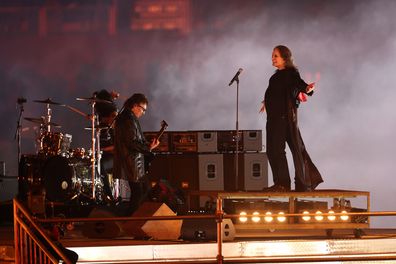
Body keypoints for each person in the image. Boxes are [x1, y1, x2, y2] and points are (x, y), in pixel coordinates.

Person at [259, 45, 323, 192]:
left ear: (285, 58)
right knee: (271, 151)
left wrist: (307, 88)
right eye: (272, 55)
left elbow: (298, 84)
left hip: (283, 119)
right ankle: (279, 183)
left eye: (276, 56)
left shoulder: (290, 73)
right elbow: (276, 93)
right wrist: (266, 102)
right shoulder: (275, 76)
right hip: (273, 120)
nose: (273, 58)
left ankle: (283, 184)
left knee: (278, 150)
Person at [113, 93, 160, 214]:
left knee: (143, 191)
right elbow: (131, 142)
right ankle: (131, 221)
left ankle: (134, 220)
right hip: (131, 162)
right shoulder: (128, 119)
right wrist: (148, 148)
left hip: (133, 162)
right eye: (143, 109)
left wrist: (148, 146)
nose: (143, 113)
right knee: (139, 193)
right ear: (135, 106)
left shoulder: (128, 117)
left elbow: (134, 140)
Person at [94, 89, 119, 201]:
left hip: (115, 156)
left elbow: (117, 146)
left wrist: (102, 149)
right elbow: (98, 96)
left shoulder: (114, 123)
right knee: (93, 163)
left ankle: (109, 195)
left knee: (101, 166)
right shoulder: (101, 120)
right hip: (102, 154)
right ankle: (97, 193)